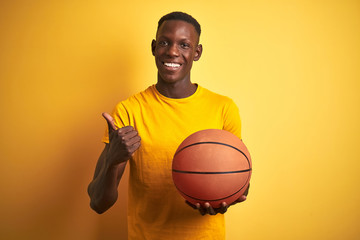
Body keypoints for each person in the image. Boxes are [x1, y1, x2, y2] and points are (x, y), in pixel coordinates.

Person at [88, 11, 250, 240]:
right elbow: (98, 203)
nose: (173, 51)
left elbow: (241, 179)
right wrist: (113, 161)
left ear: (197, 52)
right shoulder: (128, 111)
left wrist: (227, 198)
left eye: (184, 45)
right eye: (164, 42)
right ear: (154, 47)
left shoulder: (223, 108)